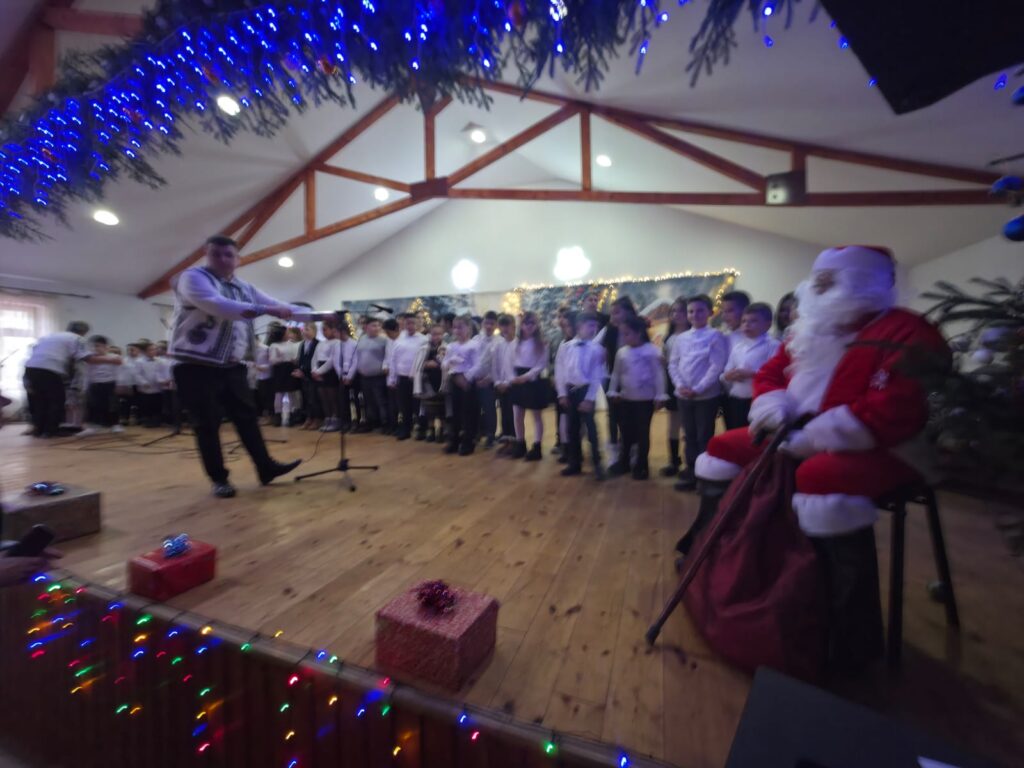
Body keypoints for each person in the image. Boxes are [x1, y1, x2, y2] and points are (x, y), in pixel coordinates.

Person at [688, 245, 950, 672]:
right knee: (721, 448)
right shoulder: (807, 328)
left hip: (881, 445)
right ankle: (712, 561)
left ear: (865, 283)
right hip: (793, 430)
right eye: (818, 281)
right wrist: (774, 408)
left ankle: (837, 623)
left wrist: (815, 437)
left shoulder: (906, 332)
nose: (819, 288)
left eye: (832, 281)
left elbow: (896, 410)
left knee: (820, 476)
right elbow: (771, 374)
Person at [168, 234, 316, 498]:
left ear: (238, 259)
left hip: (231, 366)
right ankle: (219, 479)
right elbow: (219, 306)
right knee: (207, 424)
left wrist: (322, 315)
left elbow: (280, 306)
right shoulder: (193, 277)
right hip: (195, 365)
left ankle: (266, 468)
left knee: (247, 418)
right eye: (216, 254)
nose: (223, 259)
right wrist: (268, 309)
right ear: (206, 255)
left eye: (229, 255)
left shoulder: (243, 287)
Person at [669, 294, 728, 491]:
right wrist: (680, 386)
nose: (695, 315)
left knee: (704, 436)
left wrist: (698, 389)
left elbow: (716, 366)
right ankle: (691, 471)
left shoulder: (715, 336)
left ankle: (705, 476)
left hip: (705, 397)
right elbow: (673, 364)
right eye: (691, 311)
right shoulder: (681, 338)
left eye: (700, 310)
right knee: (689, 435)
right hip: (684, 395)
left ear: (710, 312)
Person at [607, 315, 667, 480]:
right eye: (623, 334)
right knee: (626, 432)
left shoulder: (652, 351)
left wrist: (660, 395)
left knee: (642, 433)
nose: (624, 337)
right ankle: (624, 461)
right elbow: (616, 374)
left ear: (639, 333)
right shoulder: (622, 352)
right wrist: (612, 391)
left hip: (645, 400)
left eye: (627, 334)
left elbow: (658, 374)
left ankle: (642, 465)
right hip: (626, 398)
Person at [22, 321, 105, 438]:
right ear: (83, 331)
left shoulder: (50, 336)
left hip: (31, 368)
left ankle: (39, 430)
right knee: (56, 400)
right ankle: (51, 431)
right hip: (50, 370)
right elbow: (88, 358)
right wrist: (112, 360)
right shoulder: (77, 338)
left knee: (39, 400)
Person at [555, 312, 605, 480]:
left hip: (586, 391)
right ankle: (574, 463)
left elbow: (597, 375)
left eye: (595, 326)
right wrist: (562, 394)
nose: (593, 329)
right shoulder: (565, 347)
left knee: (591, 429)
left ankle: (597, 463)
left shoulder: (597, 349)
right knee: (572, 429)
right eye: (590, 325)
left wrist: (589, 398)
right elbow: (560, 371)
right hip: (570, 391)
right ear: (579, 327)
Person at [721, 303, 780, 430]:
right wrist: (728, 375)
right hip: (736, 397)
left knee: (754, 433)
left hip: (758, 398)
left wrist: (752, 374)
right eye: (744, 321)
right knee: (734, 431)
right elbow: (727, 370)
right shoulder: (738, 347)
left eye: (753, 321)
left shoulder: (773, 345)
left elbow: (775, 373)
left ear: (768, 324)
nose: (747, 325)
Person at [597, 296, 637, 465]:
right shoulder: (608, 330)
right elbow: (595, 346)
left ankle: (630, 451)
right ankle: (614, 452)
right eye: (612, 313)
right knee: (613, 416)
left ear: (628, 313)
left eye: (617, 312)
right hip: (610, 378)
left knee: (630, 416)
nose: (613, 316)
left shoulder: (636, 329)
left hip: (631, 379)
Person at [508, 311, 549, 461]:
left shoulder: (541, 343)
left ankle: (537, 446)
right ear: (521, 325)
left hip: (532, 380)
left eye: (532, 323)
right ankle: (520, 443)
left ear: (537, 325)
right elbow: (509, 362)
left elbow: (541, 364)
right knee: (517, 415)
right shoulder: (515, 343)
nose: (529, 326)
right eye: (526, 323)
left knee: (536, 415)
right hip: (518, 378)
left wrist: (526, 377)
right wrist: (512, 377)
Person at [659, 298, 691, 477]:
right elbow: (667, 362)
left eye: (681, 311)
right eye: (673, 311)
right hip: (672, 382)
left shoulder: (692, 335)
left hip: (689, 382)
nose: (677, 315)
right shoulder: (669, 337)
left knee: (688, 424)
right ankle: (673, 461)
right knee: (673, 423)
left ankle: (689, 462)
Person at [441, 314, 481, 456]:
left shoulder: (474, 345)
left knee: (468, 413)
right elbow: (444, 363)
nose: (457, 330)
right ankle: (455, 440)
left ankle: (468, 442)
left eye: (460, 327)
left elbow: (478, 365)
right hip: (454, 380)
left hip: (467, 382)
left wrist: (466, 377)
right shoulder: (451, 346)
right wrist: (450, 361)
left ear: (468, 328)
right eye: (455, 327)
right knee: (455, 412)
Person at [388, 313, 428, 440]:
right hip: (402, 377)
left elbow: (425, 358)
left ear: (417, 324)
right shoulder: (399, 339)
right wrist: (392, 378)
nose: (410, 326)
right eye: (408, 323)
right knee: (404, 405)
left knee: (418, 405)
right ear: (404, 324)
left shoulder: (423, 339)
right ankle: (405, 429)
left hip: (417, 378)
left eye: (413, 323)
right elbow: (393, 360)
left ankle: (421, 429)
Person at [346, 317, 389, 433]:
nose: (377, 328)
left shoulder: (384, 340)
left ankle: (385, 424)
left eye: (378, 325)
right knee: (369, 402)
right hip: (364, 377)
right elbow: (357, 357)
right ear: (367, 327)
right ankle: (373, 423)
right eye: (374, 325)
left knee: (381, 401)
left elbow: (388, 357)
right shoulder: (362, 338)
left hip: (378, 376)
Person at [77, 335, 124, 437]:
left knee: (112, 405)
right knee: (94, 406)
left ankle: (115, 425)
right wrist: (85, 388)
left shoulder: (114, 357)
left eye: (98, 346)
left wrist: (119, 384)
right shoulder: (90, 359)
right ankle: (93, 426)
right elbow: (87, 374)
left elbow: (119, 372)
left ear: (106, 347)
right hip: (95, 384)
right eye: (94, 346)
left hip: (110, 383)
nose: (96, 348)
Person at [471, 311, 500, 448]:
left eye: (492, 324)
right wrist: (473, 377)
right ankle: (476, 432)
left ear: (496, 325)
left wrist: (489, 379)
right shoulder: (476, 340)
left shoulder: (499, 342)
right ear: (482, 323)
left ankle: (490, 435)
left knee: (489, 409)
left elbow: (498, 365)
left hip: (489, 381)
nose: (489, 326)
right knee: (475, 408)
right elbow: (472, 360)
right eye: (486, 323)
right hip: (475, 379)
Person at [413, 323, 446, 442]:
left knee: (442, 408)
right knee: (429, 408)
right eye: (434, 334)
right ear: (430, 334)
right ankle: (430, 429)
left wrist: (438, 363)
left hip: (441, 380)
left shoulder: (447, 347)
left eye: (439, 334)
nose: (436, 336)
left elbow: (449, 363)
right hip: (427, 381)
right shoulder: (424, 348)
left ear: (443, 334)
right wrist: (425, 364)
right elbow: (418, 363)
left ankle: (441, 430)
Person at [311, 317, 340, 432]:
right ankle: (327, 418)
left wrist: (319, 372)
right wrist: (314, 370)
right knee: (323, 397)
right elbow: (314, 358)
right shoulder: (321, 343)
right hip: (319, 371)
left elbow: (332, 360)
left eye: (326, 329)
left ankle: (335, 419)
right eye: (322, 330)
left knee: (332, 397)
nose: (324, 332)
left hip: (330, 372)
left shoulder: (337, 342)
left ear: (333, 330)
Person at [493, 313, 517, 453]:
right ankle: (507, 440)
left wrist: (508, 383)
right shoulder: (498, 345)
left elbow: (517, 368)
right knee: (504, 414)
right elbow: (495, 366)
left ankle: (515, 442)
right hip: (501, 385)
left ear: (513, 326)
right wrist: (498, 382)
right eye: (502, 326)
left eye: (508, 325)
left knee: (513, 415)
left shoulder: (518, 344)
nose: (505, 329)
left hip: (513, 385)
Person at [269, 326, 302, 426]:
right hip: (279, 370)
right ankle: (278, 416)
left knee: (291, 393)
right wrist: (282, 358)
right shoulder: (274, 345)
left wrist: (294, 360)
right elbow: (272, 360)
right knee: (279, 394)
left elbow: (296, 356)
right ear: (281, 335)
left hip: (289, 369)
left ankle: (291, 415)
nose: (289, 334)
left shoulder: (291, 344)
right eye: (287, 333)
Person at [295, 321, 321, 430]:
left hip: (312, 374)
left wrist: (305, 370)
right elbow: (301, 358)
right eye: (303, 329)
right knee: (305, 398)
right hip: (303, 376)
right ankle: (308, 418)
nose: (304, 332)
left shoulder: (318, 344)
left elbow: (315, 360)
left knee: (314, 398)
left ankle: (317, 419)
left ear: (314, 331)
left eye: (307, 329)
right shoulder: (302, 344)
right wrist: (299, 369)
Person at [334, 317, 358, 433]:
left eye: (337, 332)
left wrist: (349, 376)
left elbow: (355, 361)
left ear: (343, 332)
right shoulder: (337, 345)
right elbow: (336, 361)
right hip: (341, 377)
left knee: (355, 401)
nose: (335, 334)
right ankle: (346, 422)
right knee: (343, 402)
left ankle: (356, 422)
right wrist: (341, 375)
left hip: (353, 377)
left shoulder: (354, 344)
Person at [135, 343, 164, 428]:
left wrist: (161, 380)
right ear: (145, 351)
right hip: (146, 387)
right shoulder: (139, 361)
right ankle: (147, 421)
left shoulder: (160, 360)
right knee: (146, 405)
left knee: (157, 404)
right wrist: (144, 382)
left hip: (157, 387)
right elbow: (137, 374)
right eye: (151, 350)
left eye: (155, 349)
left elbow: (161, 372)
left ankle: (157, 421)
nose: (153, 351)